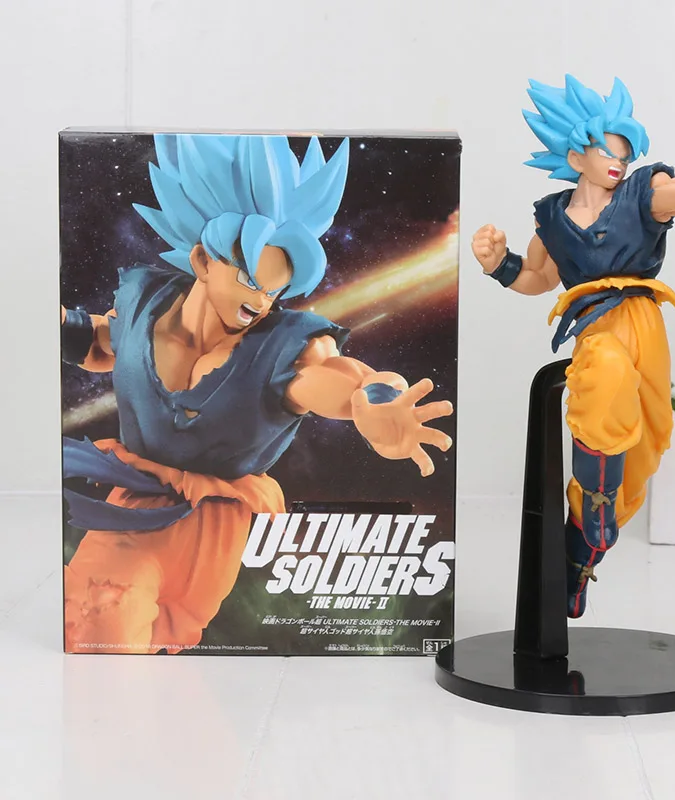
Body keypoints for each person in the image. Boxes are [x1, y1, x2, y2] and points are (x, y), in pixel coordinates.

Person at [61, 134, 453, 653]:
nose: (260, 302)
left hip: (220, 534)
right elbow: (104, 342)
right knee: (101, 623)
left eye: (274, 289)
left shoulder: (285, 344)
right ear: (203, 261)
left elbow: (335, 377)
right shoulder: (144, 301)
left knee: (152, 644)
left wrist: (375, 401)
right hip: (135, 512)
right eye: (250, 280)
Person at [472, 75, 675, 618]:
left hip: (644, 323)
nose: (620, 162)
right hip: (595, 325)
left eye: (626, 153)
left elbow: (674, 197)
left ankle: (579, 559)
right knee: (604, 373)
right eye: (608, 151)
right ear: (576, 156)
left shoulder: (641, 191)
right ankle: (597, 506)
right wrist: (498, 264)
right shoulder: (551, 217)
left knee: (643, 445)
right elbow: (539, 276)